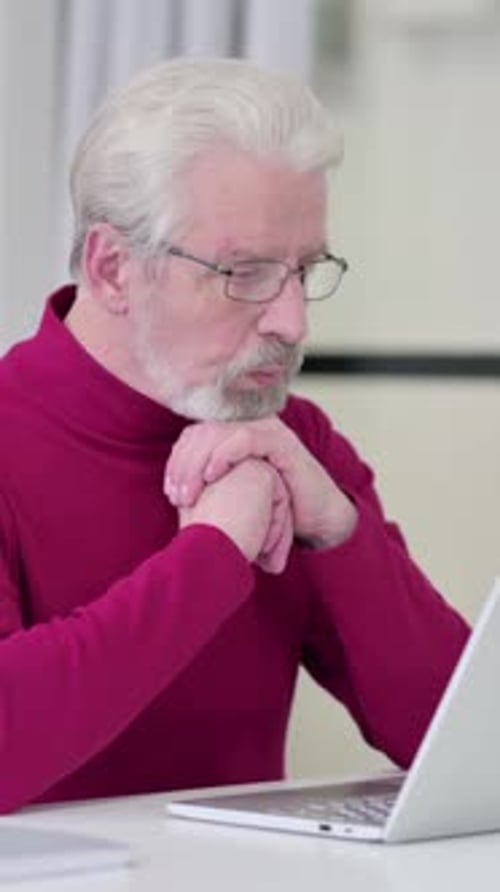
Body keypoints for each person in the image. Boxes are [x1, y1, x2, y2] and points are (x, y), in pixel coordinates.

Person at [0, 57, 468, 814]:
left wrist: (339, 532)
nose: (293, 323)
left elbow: (465, 752)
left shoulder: (292, 441)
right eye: (244, 273)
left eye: (305, 270)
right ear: (114, 268)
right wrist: (213, 553)